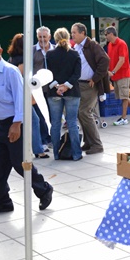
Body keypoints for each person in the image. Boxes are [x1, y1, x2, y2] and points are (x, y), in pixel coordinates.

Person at [0, 36, 53, 215]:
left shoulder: (10, 72)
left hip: (13, 123)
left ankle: (44, 189)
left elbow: (21, 100)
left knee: (20, 164)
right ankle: (2, 202)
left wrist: (17, 124)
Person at [6, 33, 47, 159]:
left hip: (14, 95)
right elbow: (22, 79)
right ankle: (38, 150)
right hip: (22, 95)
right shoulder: (23, 60)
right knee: (34, 121)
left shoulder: (11, 59)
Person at [71, 22, 109, 155]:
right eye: (72, 32)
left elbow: (105, 60)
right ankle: (88, 142)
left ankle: (97, 144)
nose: (72, 35)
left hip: (89, 85)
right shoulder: (76, 46)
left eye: (74, 32)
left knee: (85, 112)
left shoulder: (92, 45)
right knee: (80, 113)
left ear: (82, 33)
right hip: (79, 84)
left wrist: (95, 78)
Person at [47, 28, 83, 161]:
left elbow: (48, 74)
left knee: (55, 123)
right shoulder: (74, 54)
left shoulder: (49, 54)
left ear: (54, 39)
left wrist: (57, 86)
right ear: (68, 38)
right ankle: (76, 154)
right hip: (72, 92)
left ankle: (56, 154)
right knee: (72, 122)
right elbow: (77, 74)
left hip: (54, 92)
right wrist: (66, 86)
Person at [106, 26, 130, 126]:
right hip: (115, 75)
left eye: (106, 34)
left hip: (123, 74)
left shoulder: (121, 44)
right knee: (123, 96)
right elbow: (110, 59)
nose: (105, 37)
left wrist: (112, 72)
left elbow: (121, 60)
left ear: (111, 34)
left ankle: (124, 118)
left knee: (124, 96)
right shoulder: (110, 45)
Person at [32, 26, 53, 147]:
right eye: (40, 37)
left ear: (49, 37)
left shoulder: (54, 49)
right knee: (40, 115)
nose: (42, 39)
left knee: (51, 114)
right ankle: (44, 139)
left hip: (52, 88)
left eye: (44, 37)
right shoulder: (32, 50)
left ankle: (51, 137)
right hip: (38, 89)